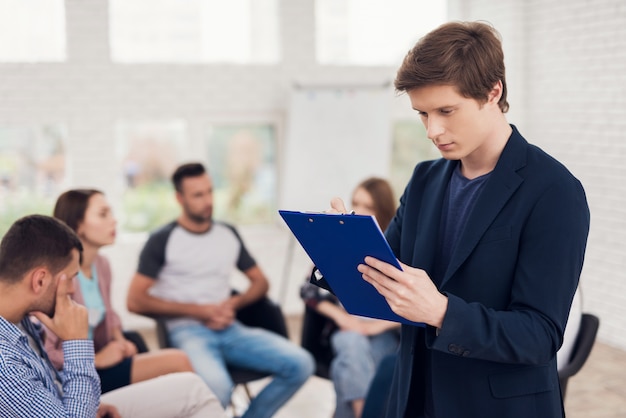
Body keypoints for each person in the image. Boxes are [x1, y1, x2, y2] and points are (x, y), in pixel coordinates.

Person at [322, 21, 590, 417]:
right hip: (416, 397)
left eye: (446, 110)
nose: (433, 130)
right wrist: (338, 247)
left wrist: (441, 312)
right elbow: (386, 275)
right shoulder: (425, 180)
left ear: (492, 91)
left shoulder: (554, 190)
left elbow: (539, 335)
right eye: (422, 114)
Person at [126, 162, 315, 418]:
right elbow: (135, 301)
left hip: (230, 327)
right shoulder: (162, 239)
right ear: (179, 198)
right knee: (218, 387)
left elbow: (260, 282)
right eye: (198, 195)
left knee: (302, 363)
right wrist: (199, 312)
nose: (208, 201)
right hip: (187, 332)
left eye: (210, 191)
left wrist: (231, 305)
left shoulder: (227, 233)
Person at [0, 214, 226, 418]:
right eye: (70, 279)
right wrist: (76, 343)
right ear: (40, 280)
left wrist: (90, 406)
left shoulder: (19, 319)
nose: (71, 290)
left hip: (70, 409)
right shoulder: (4, 363)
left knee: (191, 389)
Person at [43, 189, 194, 394]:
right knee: (178, 361)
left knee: (141, 348)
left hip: (103, 358)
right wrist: (95, 360)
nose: (114, 221)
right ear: (78, 225)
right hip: (78, 376)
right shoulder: (60, 278)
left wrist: (120, 343)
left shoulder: (101, 265)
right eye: (103, 214)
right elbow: (46, 353)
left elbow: (109, 314)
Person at [301, 177, 400, 418]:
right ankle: (362, 413)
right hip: (345, 329)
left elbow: (412, 304)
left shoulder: (398, 245)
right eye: (357, 202)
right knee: (349, 344)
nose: (361, 210)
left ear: (383, 211)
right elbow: (307, 289)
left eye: (370, 206)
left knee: (345, 366)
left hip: (385, 334)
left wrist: (372, 328)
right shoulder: (342, 241)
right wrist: (342, 318)